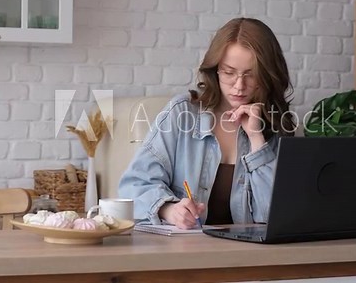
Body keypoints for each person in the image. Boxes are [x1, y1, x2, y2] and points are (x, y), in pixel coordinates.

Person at [118, 17, 296, 229]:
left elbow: (273, 216)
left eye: (251, 75)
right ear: (215, 70)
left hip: (250, 255)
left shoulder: (274, 125)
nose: (239, 86)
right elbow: (134, 186)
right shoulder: (182, 113)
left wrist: (257, 140)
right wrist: (170, 210)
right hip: (186, 253)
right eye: (229, 73)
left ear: (267, 75)